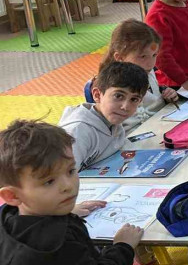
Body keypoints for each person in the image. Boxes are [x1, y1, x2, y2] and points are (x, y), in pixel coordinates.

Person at [0, 120, 143, 265]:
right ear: (12, 196)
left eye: (71, 171)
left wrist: (70, 212)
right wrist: (123, 246)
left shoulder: (9, 215)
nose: (68, 185)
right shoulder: (58, 245)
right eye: (49, 181)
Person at [59, 61, 148, 170]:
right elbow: (63, 178)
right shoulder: (77, 132)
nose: (125, 106)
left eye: (134, 99)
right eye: (118, 96)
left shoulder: (113, 123)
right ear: (97, 95)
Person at [99, 19, 178, 131]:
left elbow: (151, 102)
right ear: (120, 57)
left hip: (159, 126)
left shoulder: (147, 72)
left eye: (154, 55)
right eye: (142, 56)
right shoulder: (111, 86)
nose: (151, 63)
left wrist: (166, 97)